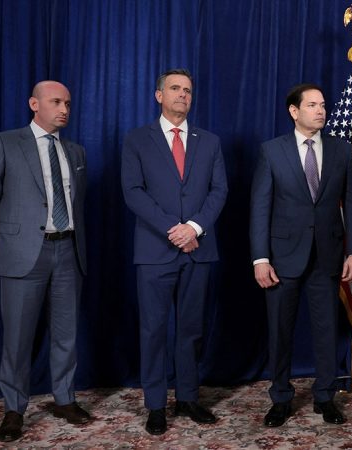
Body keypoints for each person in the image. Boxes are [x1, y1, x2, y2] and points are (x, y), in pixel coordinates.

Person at [0, 81, 91, 442]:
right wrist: (7, 237)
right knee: (17, 337)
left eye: (68, 103)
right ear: (34, 104)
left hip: (68, 251)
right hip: (24, 253)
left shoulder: (76, 151)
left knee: (66, 333)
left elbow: (78, 203)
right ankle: (14, 409)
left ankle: (65, 399)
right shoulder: (4, 143)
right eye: (56, 102)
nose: (64, 109)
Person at [249, 84, 352, 427]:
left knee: (326, 331)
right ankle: (281, 398)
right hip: (282, 258)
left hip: (328, 256)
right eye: (312, 105)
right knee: (280, 331)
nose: (321, 111)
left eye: (323, 105)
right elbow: (260, 208)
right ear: (294, 111)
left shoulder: (341, 150)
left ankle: (325, 397)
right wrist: (260, 258)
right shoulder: (272, 151)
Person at [121, 68, 228, 435]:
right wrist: (175, 230)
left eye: (188, 90)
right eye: (175, 89)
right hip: (155, 250)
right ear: (159, 95)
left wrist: (194, 228)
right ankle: (156, 405)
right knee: (152, 330)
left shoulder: (209, 141)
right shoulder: (137, 140)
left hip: (199, 250)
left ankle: (188, 397)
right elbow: (133, 192)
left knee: (191, 330)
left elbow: (219, 191)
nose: (183, 95)